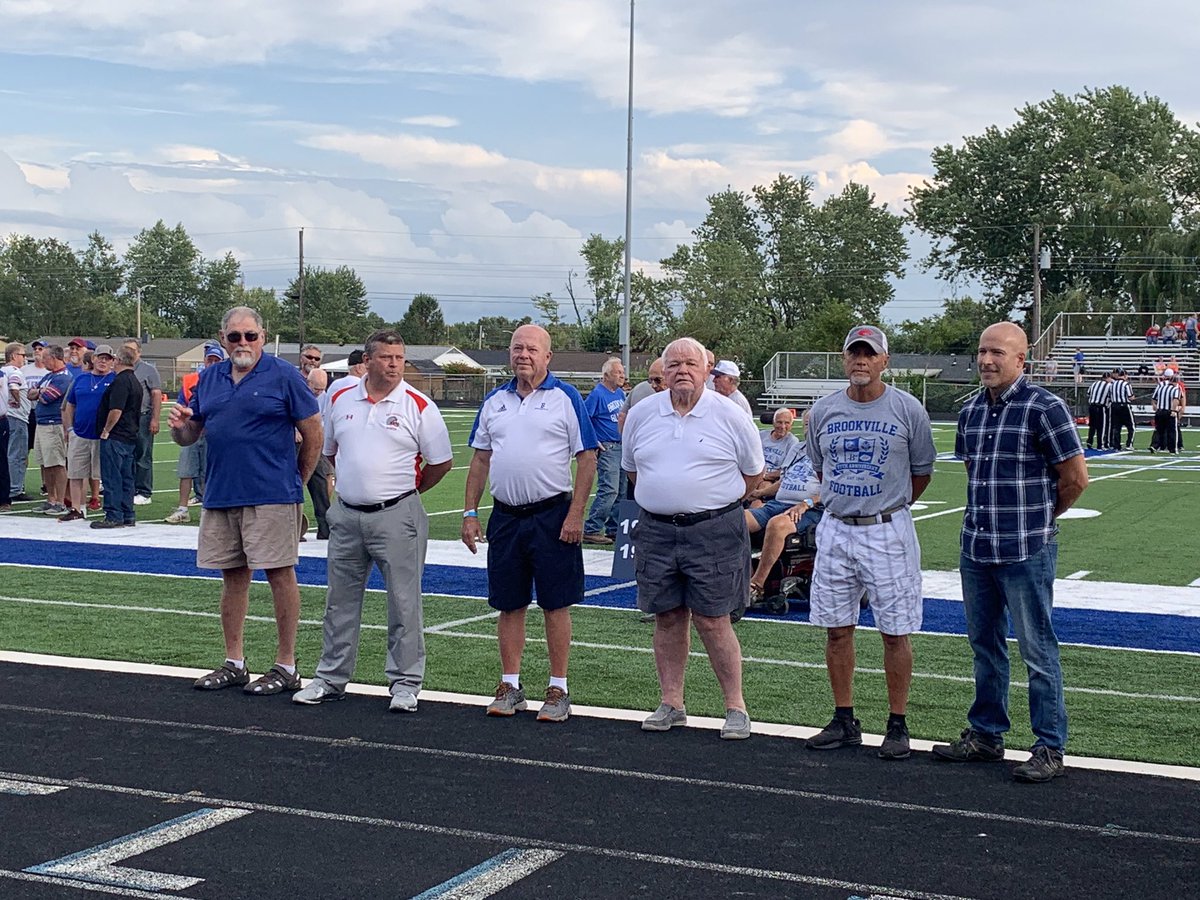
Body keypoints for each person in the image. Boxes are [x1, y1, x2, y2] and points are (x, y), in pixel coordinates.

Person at [933, 322, 1088, 783]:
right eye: (982, 351)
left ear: (1022, 360)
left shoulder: (1046, 408)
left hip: (1026, 549)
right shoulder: (971, 411)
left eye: (997, 352)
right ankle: (986, 734)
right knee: (985, 646)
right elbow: (972, 472)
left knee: (1038, 651)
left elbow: (1075, 479)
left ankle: (1049, 745)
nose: (986, 360)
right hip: (977, 547)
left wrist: (1039, 520)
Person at [294, 330, 454, 711]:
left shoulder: (418, 404)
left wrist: (402, 492)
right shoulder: (338, 396)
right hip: (347, 515)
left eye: (399, 357)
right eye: (386, 357)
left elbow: (441, 462)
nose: (395, 364)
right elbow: (328, 450)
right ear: (368, 361)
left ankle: (405, 683)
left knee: (404, 602)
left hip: (397, 515)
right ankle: (331, 678)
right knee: (339, 602)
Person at [169, 306, 322, 696]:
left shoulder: (284, 375)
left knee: (278, 573)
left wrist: (297, 481)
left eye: (250, 336)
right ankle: (234, 662)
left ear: (263, 336)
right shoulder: (210, 378)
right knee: (232, 577)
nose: (242, 343)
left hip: (271, 493)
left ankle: (287, 665)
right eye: (234, 336)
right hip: (221, 492)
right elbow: (192, 435)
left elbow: (313, 432)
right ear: (222, 338)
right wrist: (180, 429)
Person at [622, 337, 765, 740]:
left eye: (690, 363)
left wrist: (707, 499)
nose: (682, 370)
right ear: (662, 372)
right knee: (666, 617)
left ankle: (735, 707)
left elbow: (753, 474)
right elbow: (633, 471)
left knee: (713, 619)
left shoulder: (731, 414)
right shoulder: (642, 414)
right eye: (674, 364)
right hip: (656, 530)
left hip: (714, 530)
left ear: (707, 369)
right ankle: (672, 703)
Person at [804, 325, 936, 761]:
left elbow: (921, 473)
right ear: (843, 359)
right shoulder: (823, 411)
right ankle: (844, 718)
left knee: (894, 631)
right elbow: (822, 469)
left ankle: (897, 723)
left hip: (886, 528)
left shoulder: (907, 409)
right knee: (837, 628)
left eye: (869, 353)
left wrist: (888, 506)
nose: (860, 361)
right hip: (838, 527)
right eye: (853, 354)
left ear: (884, 360)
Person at [461, 324, 597, 723]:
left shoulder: (565, 397)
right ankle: (510, 685)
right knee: (509, 602)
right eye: (517, 348)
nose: (523, 355)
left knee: (555, 603)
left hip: (553, 514)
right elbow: (481, 459)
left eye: (532, 349)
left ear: (548, 356)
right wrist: (470, 512)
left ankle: (558, 688)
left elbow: (586, 458)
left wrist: (576, 514)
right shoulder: (494, 401)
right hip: (505, 516)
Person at [165, 342, 225, 524]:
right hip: (193, 431)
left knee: (210, 472)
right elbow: (183, 404)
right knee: (186, 470)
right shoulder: (192, 380)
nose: (213, 364)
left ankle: (210, 509)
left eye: (217, 360)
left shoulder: (226, 382)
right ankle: (183, 508)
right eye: (210, 360)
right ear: (205, 361)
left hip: (213, 433)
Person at [59, 344, 116, 522]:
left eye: (107, 358)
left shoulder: (115, 380)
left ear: (112, 361)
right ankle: (77, 508)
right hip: (80, 433)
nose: (103, 361)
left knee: (102, 474)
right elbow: (69, 405)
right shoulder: (81, 379)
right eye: (100, 357)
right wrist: (69, 428)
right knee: (76, 473)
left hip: (102, 435)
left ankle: (111, 510)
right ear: (93, 359)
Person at [92, 345, 144, 529]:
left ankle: (114, 514)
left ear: (118, 360)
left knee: (112, 476)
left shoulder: (120, 382)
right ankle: (127, 513)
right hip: (129, 435)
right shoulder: (135, 381)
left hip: (116, 435)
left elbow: (116, 409)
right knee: (126, 477)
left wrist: (106, 429)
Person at [582, 357, 626, 544]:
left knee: (622, 491)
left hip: (622, 446)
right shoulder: (597, 395)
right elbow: (584, 417)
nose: (622, 376)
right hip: (608, 447)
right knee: (609, 490)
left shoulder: (620, 394)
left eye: (623, 373)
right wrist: (594, 441)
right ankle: (591, 528)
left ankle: (613, 529)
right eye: (618, 372)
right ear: (607, 375)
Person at [29, 345, 71, 516]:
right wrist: (39, 391)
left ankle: (60, 501)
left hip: (54, 424)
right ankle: (50, 499)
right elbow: (30, 394)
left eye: (45, 357)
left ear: (55, 358)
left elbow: (46, 398)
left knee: (57, 463)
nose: (42, 360)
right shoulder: (48, 376)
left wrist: (38, 392)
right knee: (45, 463)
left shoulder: (63, 378)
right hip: (42, 424)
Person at [123, 339, 163, 506]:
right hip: (126, 418)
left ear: (139, 352)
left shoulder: (148, 370)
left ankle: (144, 491)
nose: (129, 353)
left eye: (132, 350)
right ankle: (129, 488)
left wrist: (155, 418)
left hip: (143, 416)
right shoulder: (121, 369)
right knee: (127, 455)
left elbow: (156, 394)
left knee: (143, 455)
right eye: (126, 350)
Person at [303, 366, 333, 540]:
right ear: (308, 383)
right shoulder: (299, 394)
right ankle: (294, 528)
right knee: (295, 486)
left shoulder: (325, 398)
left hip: (316, 445)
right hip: (297, 445)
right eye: (316, 389)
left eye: (322, 389)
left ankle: (325, 529)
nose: (319, 392)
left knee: (320, 485)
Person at [1, 343, 28, 509]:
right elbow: (14, 386)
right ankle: (14, 488)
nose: (24, 358)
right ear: (13, 356)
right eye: (22, 355)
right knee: (17, 453)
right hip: (16, 417)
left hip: (7, 416)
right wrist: (17, 401)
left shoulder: (3, 371)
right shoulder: (15, 371)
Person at [759, 407, 800, 480]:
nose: (782, 426)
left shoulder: (792, 442)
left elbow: (787, 469)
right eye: (779, 422)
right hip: (756, 473)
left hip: (773, 478)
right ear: (773, 423)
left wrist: (765, 476)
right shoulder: (761, 435)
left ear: (791, 425)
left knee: (764, 486)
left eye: (787, 423)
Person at [1150, 369, 1183, 454]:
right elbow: (1176, 400)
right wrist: (1173, 410)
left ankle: (1155, 446)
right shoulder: (1176, 389)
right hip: (1169, 411)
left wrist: (1154, 406)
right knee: (1172, 431)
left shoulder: (1161, 387)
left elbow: (1154, 398)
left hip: (1159, 411)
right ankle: (1173, 449)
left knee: (1159, 430)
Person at [1108, 368, 1135, 450]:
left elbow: (1109, 396)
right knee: (1131, 426)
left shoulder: (1112, 384)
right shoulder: (1126, 384)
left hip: (1114, 406)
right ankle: (1129, 444)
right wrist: (1133, 398)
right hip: (1124, 406)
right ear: (1125, 376)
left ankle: (1116, 445)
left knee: (1116, 427)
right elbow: (1130, 397)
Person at [1084, 371, 1112, 450]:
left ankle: (1089, 442)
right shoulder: (1109, 385)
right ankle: (1100, 444)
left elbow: (1088, 394)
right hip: (1101, 407)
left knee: (1092, 426)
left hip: (1092, 406)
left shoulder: (1094, 383)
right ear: (1108, 378)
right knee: (1101, 427)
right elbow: (1111, 397)